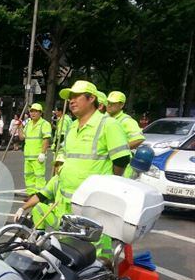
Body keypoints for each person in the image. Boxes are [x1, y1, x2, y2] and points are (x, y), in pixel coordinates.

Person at [57, 80, 130, 258]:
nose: (72, 101)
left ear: (91, 99)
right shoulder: (73, 126)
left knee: (94, 252)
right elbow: (66, 157)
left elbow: (121, 158)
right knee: (69, 249)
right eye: (70, 97)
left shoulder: (108, 124)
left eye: (76, 96)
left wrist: (108, 185)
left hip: (93, 203)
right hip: (69, 199)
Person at [18, 103, 52, 195]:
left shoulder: (44, 124)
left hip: (38, 157)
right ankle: (31, 195)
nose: (33, 113)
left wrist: (42, 153)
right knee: (28, 177)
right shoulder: (28, 124)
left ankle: (40, 196)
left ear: (40, 113)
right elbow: (22, 138)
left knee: (39, 177)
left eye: (36, 111)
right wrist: (20, 127)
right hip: (28, 156)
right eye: (31, 111)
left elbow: (46, 139)